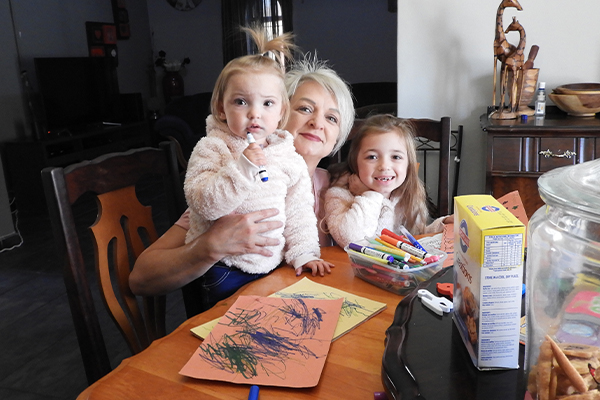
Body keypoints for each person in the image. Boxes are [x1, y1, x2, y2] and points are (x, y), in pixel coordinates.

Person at [129, 53, 354, 307]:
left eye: (332, 118)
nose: (317, 123)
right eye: (305, 109)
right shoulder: (227, 174)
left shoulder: (341, 189)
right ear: (282, 116)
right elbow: (141, 279)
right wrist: (209, 246)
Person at [324, 114, 452, 250]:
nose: (384, 166)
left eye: (396, 157)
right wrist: (368, 195)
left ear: (408, 164)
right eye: (372, 157)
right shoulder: (338, 196)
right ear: (355, 162)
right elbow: (352, 240)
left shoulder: (406, 195)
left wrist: (442, 225)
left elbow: (415, 236)